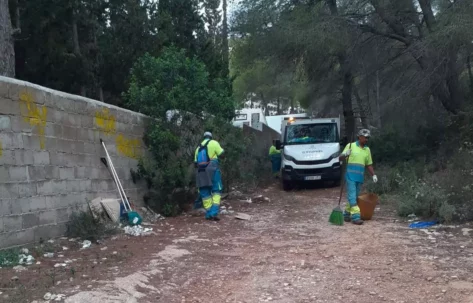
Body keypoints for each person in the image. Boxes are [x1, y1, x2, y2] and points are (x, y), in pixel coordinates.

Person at [339, 129, 378, 225]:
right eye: (365, 138)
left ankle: (346, 214)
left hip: (359, 177)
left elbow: (368, 164)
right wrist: (345, 154)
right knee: (352, 196)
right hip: (350, 176)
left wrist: (373, 175)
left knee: (355, 197)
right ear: (359, 137)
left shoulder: (367, 150)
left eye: (368, 138)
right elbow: (340, 157)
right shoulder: (350, 146)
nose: (366, 140)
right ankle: (356, 217)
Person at [195, 132, 224, 221]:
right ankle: (213, 212)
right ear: (211, 137)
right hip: (213, 169)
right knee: (216, 190)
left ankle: (208, 214)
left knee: (204, 192)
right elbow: (222, 154)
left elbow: (195, 163)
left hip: (201, 171)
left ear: (203, 137)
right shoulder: (214, 143)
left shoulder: (198, 148)